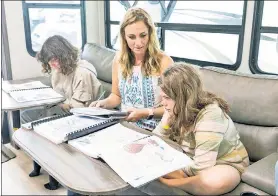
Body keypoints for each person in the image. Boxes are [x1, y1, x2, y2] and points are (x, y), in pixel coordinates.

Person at [119, 63, 250, 195]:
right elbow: (155, 140)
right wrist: (166, 123)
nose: (163, 103)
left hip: (223, 162)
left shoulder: (210, 115)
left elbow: (202, 168)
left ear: (183, 97)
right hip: (187, 158)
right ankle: (180, 181)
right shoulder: (173, 108)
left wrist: (168, 172)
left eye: (167, 98)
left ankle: (169, 183)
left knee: (214, 181)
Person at [21, 35, 102, 190]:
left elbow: (79, 108)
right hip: (63, 108)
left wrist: (57, 103)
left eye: (56, 59)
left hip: (81, 116)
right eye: (50, 61)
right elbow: (58, 93)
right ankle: (39, 162)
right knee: (27, 116)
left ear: (65, 55)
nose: (54, 64)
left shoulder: (82, 73)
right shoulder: (57, 68)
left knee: (44, 126)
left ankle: (54, 176)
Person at [89, 7, 173, 131]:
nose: (138, 43)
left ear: (150, 33)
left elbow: (174, 107)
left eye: (143, 35)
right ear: (124, 37)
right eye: (132, 37)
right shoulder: (118, 59)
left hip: (154, 130)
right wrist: (103, 103)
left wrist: (145, 112)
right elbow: (116, 96)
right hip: (123, 125)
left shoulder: (165, 62)